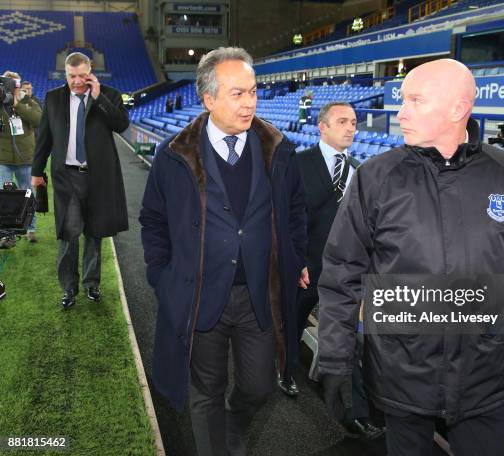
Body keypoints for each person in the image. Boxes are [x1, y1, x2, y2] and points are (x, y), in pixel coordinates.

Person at [316, 59, 504, 456]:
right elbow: (342, 273)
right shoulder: (376, 178)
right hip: (400, 375)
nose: (401, 112)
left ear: (457, 109)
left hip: (484, 380)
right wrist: (336, 358)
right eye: (404, 101)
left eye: (416, 101)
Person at [139, 47, 307, 456]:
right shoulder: (173, 155)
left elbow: (296, 212)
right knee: (205, 392)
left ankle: (235, 420)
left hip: (258, 295)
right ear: (208, 98)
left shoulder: (277, 150)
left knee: (259, 385)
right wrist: (162, 276)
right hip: (199, 297)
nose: (249, 102)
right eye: (237, 93)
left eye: (252, 91)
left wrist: (295, 257)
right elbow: (153, 220)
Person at [283, 101, 384, 440]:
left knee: (344, 343)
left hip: (344, 273)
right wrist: (295, 260)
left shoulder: (360, 170)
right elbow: (284, 217)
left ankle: (354, 411)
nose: (351, 128)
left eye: (354, 122)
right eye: (342, 121)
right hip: (305, 267)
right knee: (292, 324)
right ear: (322, 127)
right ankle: (285, 370)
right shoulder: (297, 164)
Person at [31, 52, 129, 309]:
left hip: (98, 178)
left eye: (82, 76)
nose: (76, 81)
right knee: (68, 234)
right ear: (65, 74)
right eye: (71, 76)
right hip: (67, 177)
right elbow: (44, 139)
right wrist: (36, 172)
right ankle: (68, 288)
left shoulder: (109, 94)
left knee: (95, 233)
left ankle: (91, 284)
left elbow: (120, 125)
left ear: (90, 72)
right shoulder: (53, 98)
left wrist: (99, 98)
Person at [0, 71, 42, 243]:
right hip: (3, 159)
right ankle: (7, 233)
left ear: (18, 85)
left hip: (25, 157)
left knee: (27, 193)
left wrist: (19, 103)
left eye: (13, 83)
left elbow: (38, 120)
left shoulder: (28, 101)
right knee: (5, 195)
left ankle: (30, 229)